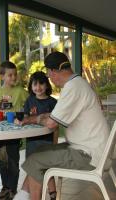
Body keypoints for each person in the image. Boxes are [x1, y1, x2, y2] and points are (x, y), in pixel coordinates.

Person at [15, 51, 109, 200]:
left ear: (53, 71)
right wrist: (40, 118)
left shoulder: (72, 87)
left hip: (88, 155)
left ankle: (23, 197)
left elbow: (51, 123)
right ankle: (21, 197)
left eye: (49, 75)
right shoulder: (79, 83)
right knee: (38, 153)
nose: (50, 79)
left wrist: (33, 119)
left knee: (35, 160)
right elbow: (55, 116)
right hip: (92, 149)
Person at [0, 61, 28, 200]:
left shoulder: (20, 92)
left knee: (13, 160)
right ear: (2, 76)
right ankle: (6, 188)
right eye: (10, 75)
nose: (13, 77)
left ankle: (11, 189)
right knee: (2, 160)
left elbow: (30, 103)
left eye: (15, 75)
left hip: (14, 133)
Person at [13, 71, 57, 200]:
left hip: (47, 142)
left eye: (41, 84)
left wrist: (55, 143)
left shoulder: (52, 102)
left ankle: (53, 193)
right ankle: (32, 194)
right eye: (35, 84)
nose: (38, 87)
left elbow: (56, 126)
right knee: (33, 169)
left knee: (47, 169)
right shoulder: (30, 100)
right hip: (32, 142)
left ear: (47, 85)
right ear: (31, 86)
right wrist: (20, 120)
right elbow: (25, 117)